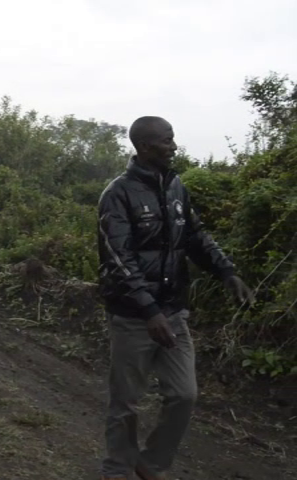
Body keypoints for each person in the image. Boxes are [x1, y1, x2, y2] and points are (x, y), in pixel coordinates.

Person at [97, 116, 254, 480]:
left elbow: (195, 236)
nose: (174, 146)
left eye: (173, 139)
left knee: (185, 395)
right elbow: (119, 259)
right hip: (134, 317)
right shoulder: (117, 194)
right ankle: (117, 470)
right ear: (146, 147)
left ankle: (151, 465)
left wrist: (227, 272)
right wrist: (149, 311)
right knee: (126, 402)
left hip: (173, 310)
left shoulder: (175, 187)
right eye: (167, 140)